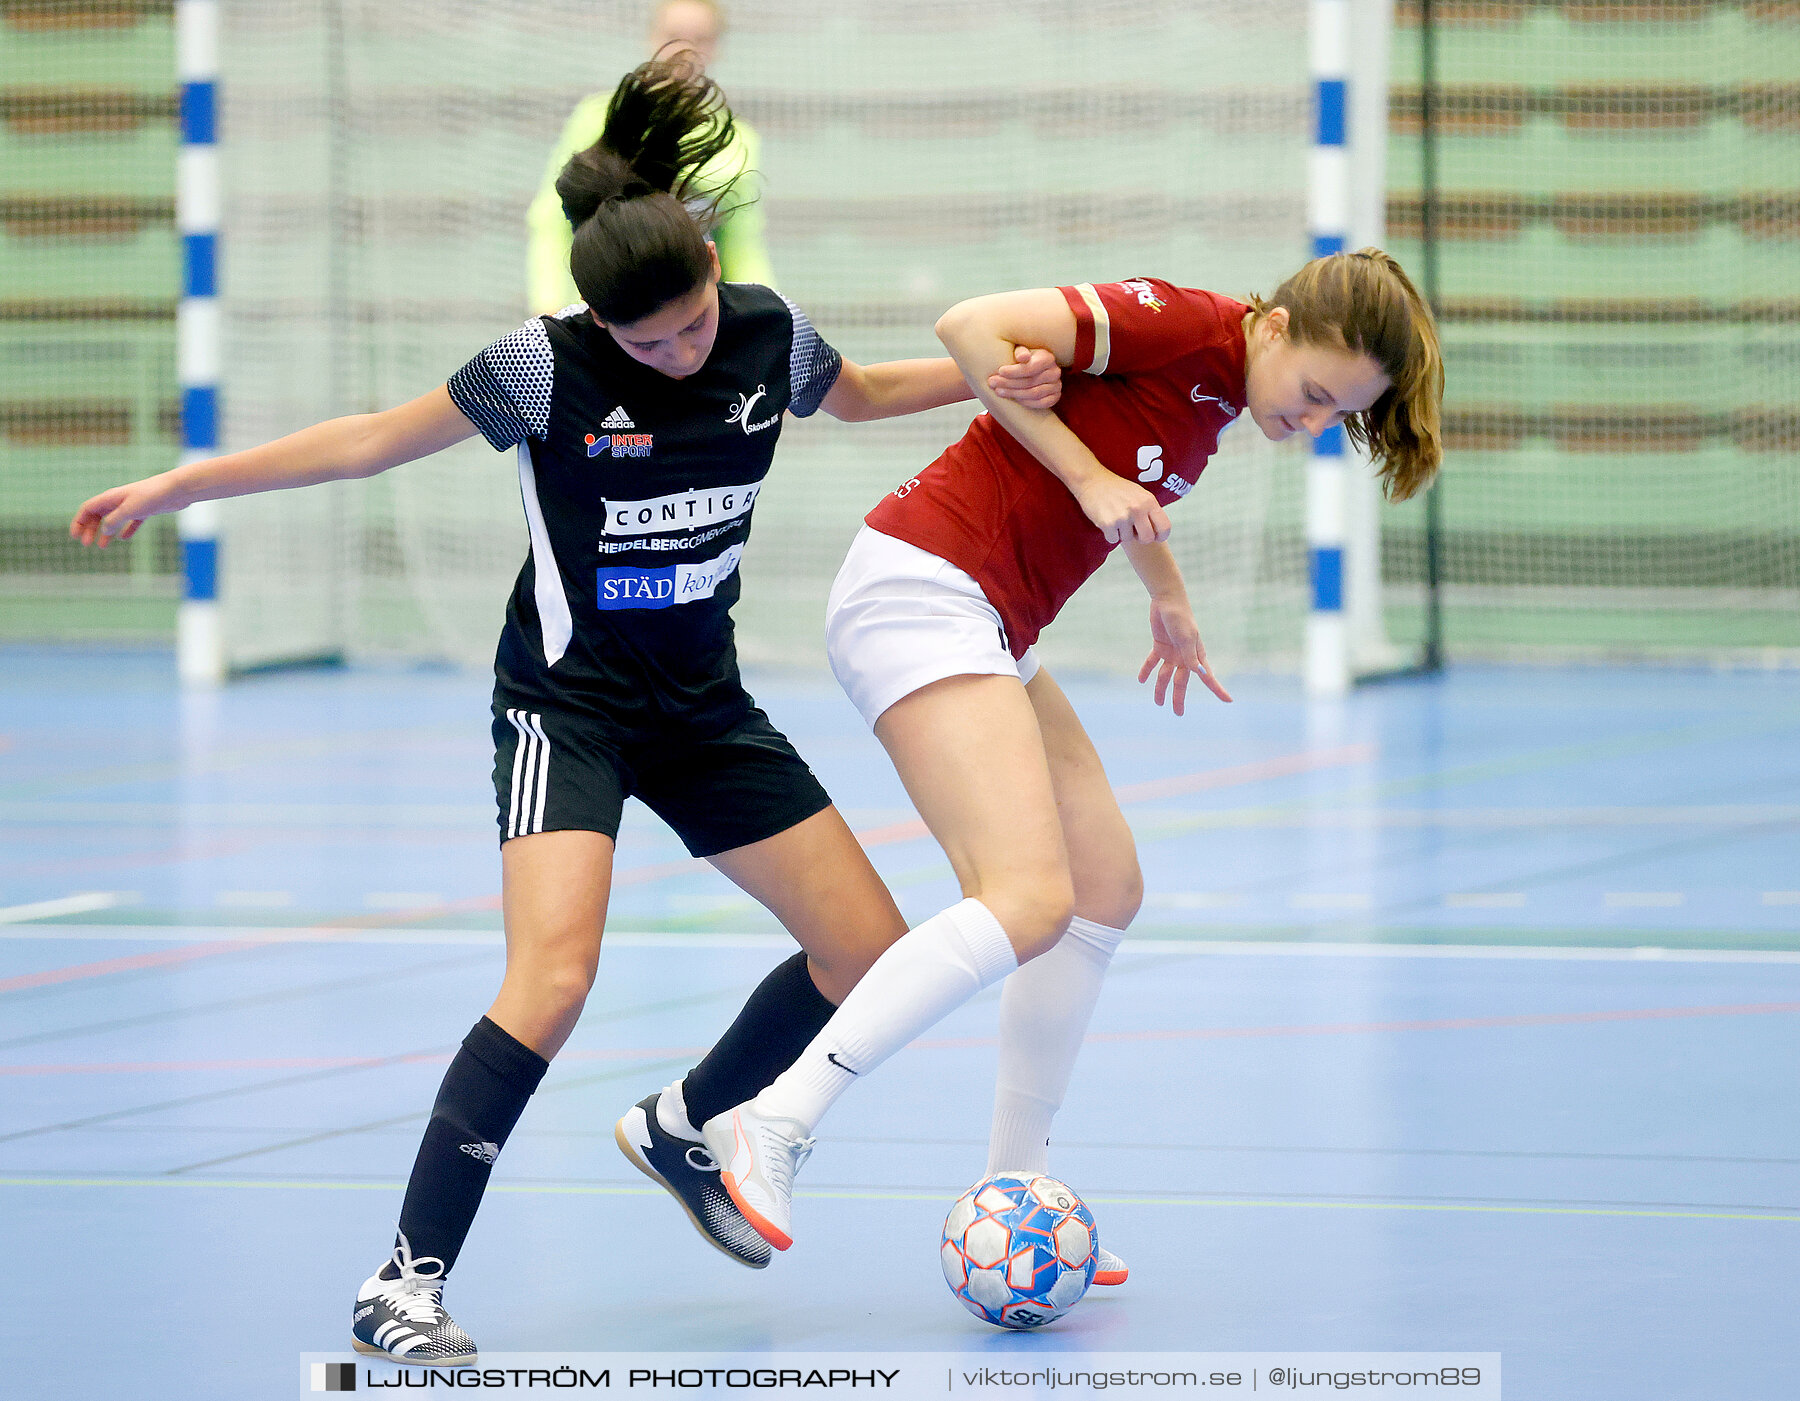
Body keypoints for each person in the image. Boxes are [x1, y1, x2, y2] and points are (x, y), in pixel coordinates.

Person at [70, 58, 1065, 1367]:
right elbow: (371, 437)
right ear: (602, 326)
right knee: (553, 977)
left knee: (864, 951)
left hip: (701, 704)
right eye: (646, 344)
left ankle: (686, 1123)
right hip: (569, 703)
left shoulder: (770, 333)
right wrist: (192, 481)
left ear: (713, 267)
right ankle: (404, 1279)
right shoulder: (542, 372)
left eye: (692, 325)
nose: (679, 353)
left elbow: (869, 394)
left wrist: (1008, 381)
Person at [701, 252, 1445, 1264]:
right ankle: (773, 1120)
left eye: (1336, 417)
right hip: (923, 587)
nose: (1312, 423)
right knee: (1025, 901)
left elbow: (1129, 473)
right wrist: (1089, 476)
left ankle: (1016, 1190)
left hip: (993, 616)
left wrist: (1167, 591)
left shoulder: (1222, 384)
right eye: (1314, 395)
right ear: (1274, 328)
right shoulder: (1182, 324)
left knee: (1102, 888)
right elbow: (967, 321)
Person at [527, 0, 772, 315]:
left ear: (717, 48)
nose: (684, 50)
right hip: (601, 313)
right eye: (673, 36)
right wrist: (551, 307)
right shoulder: (597, 119)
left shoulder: (737, 140)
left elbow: (743, 246)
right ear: (651, 37)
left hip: (689, 318)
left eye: (701, 39)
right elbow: (552, 220)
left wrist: (770, 317)